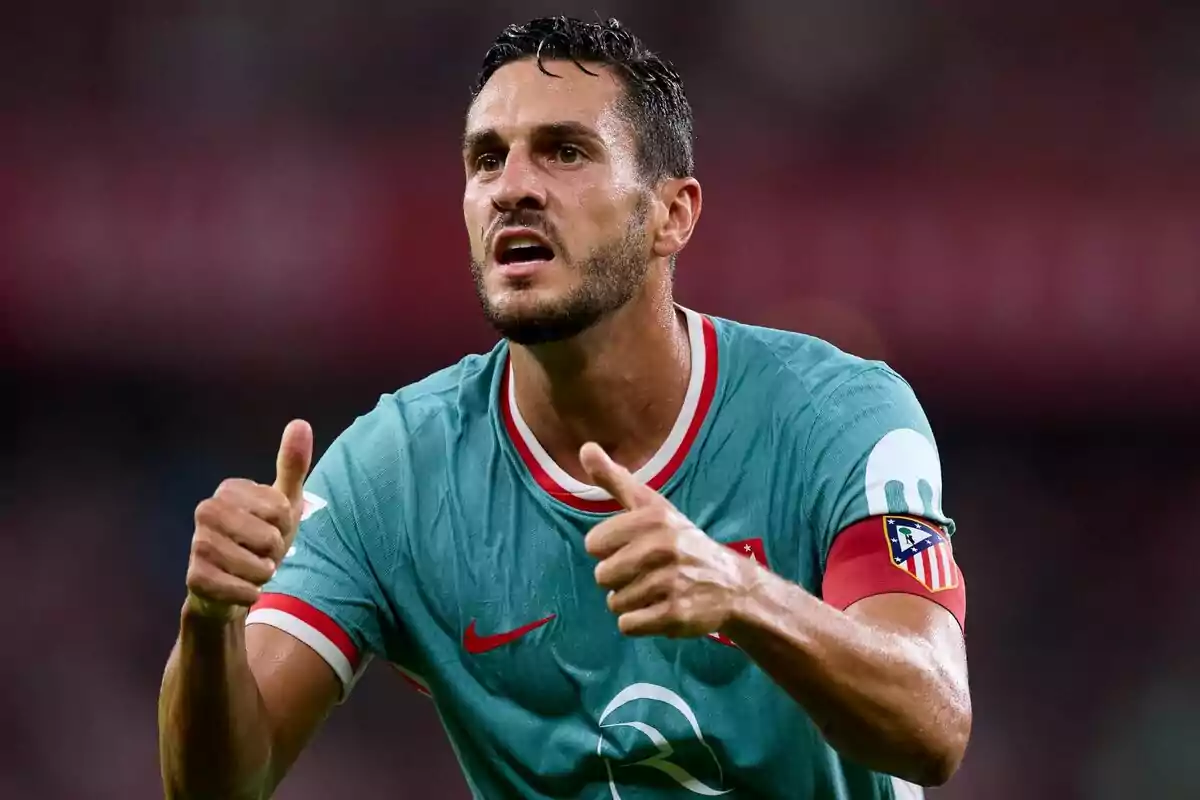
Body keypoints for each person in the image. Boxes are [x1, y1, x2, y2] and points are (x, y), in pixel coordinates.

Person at [158, 15, 971, 800]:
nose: (513, 187)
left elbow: (933, 726)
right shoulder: (394, 470)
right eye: (486, 160)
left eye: (565, 152)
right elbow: (220, 785)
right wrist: (209, 624)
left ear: (670, 214)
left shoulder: (834, 416)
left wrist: (743, 593)